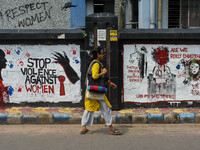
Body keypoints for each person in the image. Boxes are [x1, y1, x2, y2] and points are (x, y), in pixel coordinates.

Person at [80, 47, 121, 135]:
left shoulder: (93, 63)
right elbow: (95, 76)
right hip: (97, 91)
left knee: (89, 108)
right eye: (102, 53)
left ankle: (83, 128)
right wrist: (103, 72)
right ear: (98, 55)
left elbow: (99, 79)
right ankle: (111, 128)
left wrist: (109, 83)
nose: (103, 55)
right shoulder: (96, 64)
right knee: (106, 108)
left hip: (91, 90)